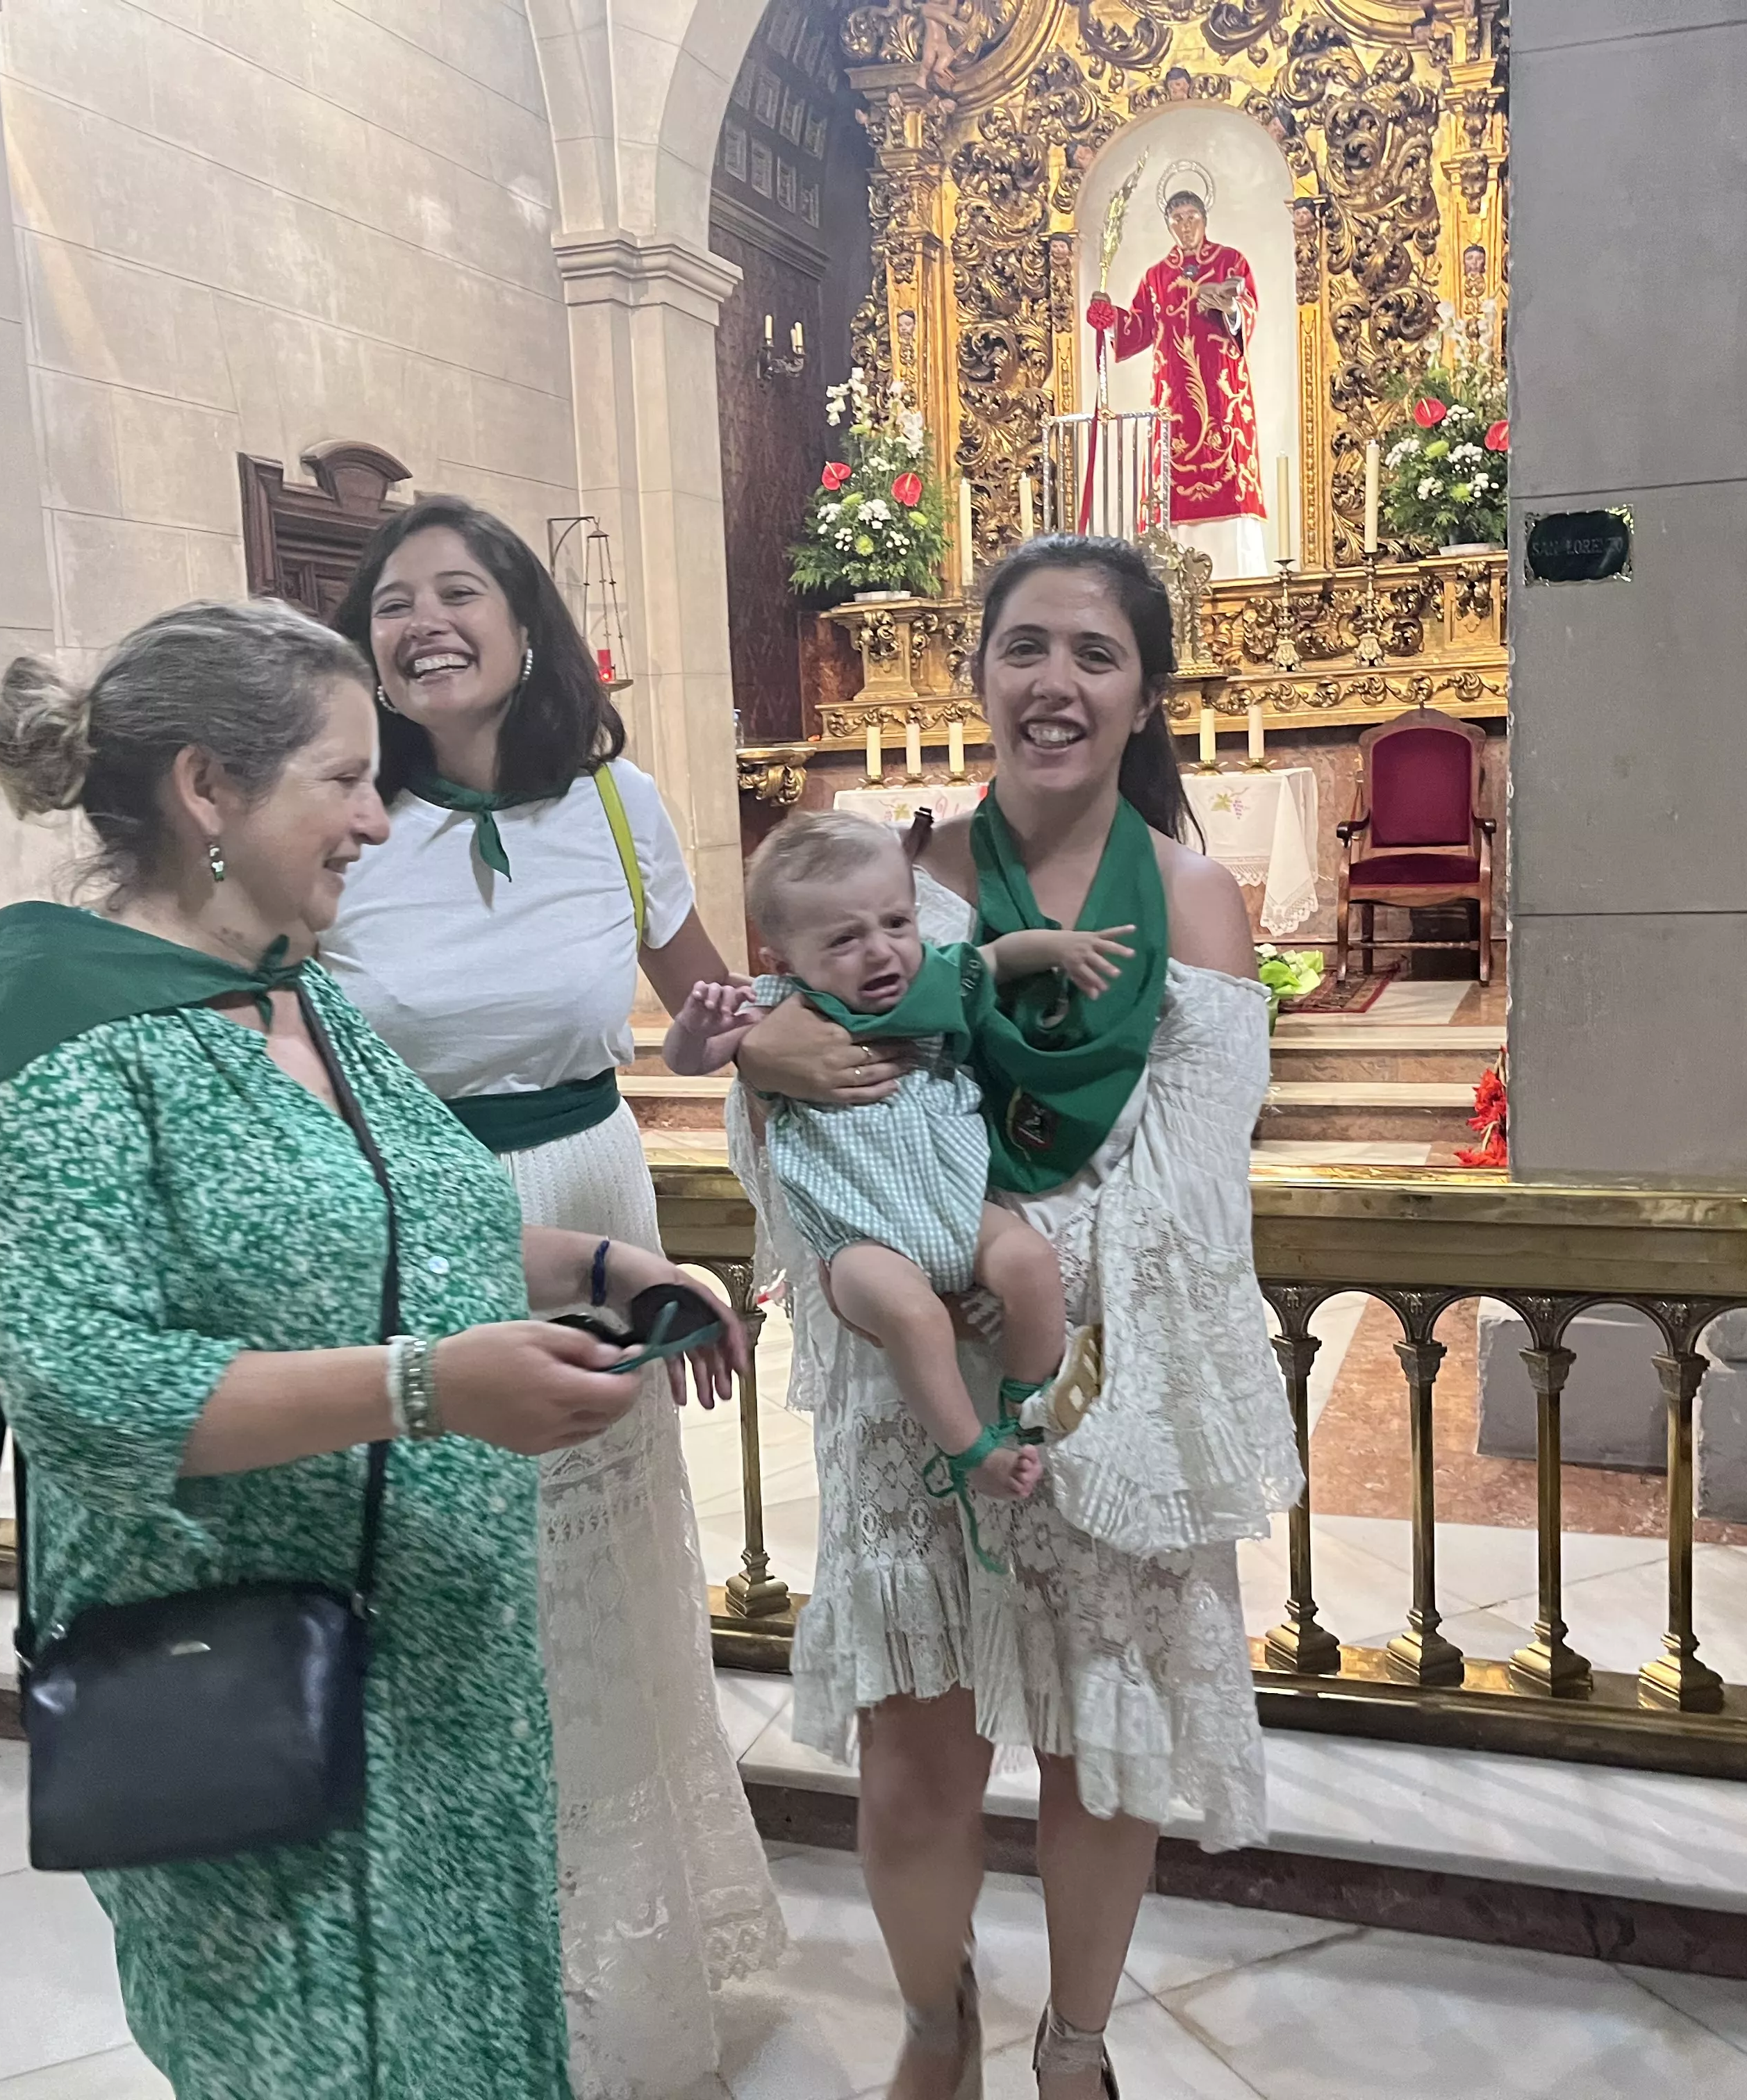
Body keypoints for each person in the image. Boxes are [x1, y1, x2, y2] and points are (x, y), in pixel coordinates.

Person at [0, 598, 742, 2099]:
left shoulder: (295, 989)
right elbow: (84, 1385)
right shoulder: (52, 1021)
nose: (379, 818)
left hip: (445, 1667)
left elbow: (402, 1223)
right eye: (347, 779)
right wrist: (426, 1389)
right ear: (208, 789)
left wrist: (601, 1266)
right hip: (253, 1676)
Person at [729, 539, 1300, 2100]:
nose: (1056, 682)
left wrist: (1022, 1255)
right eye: (1025, 647)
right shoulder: (884, 885)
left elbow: (1198, 1182)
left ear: (1146, 695)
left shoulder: (1192, 898)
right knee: (915, 1763)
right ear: (976, 673)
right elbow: (789, 1128)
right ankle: (936, 2021)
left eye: (1095, 654)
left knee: (1099, 1748)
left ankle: (1077, 2042)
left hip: (1105, 1378)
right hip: (915, 1381)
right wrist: (766, 1070)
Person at [315, 499, 785, 2096]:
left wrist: (734, 1036)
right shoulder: (340, 818)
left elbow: (704, 1006)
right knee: (449, 1595)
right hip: (412, 1226)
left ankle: (620, 1979)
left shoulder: (618, 803)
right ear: (364, 650)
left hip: (594, 1202)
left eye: (461, 590)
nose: (426, 621)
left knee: (596, 1594)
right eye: (393, 602)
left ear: (528, 627)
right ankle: (468, 1973)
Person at [666, 812, 1133, 1553]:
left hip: (955, 1206)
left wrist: (1061, 949)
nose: (881, 950)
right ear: (782, 956)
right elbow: (691, 1061)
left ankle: (1026, 1402)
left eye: (896, 923)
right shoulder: (781, 1011)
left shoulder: (934, 981)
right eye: (844, 939)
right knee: (914, 1317)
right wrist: (697, 1026)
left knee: (1029, 1263)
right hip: (861, 1239)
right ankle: (971, 1450)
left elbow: (998, 959)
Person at [1086, 184, 1268, 579]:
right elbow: (1138, 328)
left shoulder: (1230, 262)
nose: (1185, 227)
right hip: (1173, 406)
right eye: (1177, 220)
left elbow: (1247, 312)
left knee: (1228, 485)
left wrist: (1230, 308)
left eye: (1192, 218)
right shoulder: (1157, 276)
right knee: (1169, 495)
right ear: (1169, 226)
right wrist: (1110, 318)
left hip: (1222, 402)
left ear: (1205, 220)